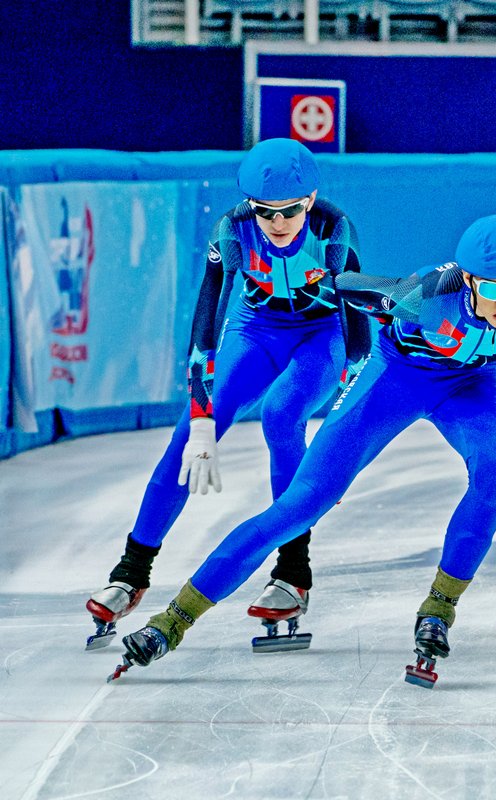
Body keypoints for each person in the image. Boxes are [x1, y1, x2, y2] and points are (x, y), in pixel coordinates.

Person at [106, 215, 496, 689]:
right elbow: (346, 286)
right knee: (303, 502)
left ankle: (439, 609)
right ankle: (173, 620)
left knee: (495, 468)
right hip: (396, 378)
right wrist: (343, 348)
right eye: (493, 289)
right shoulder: (423, 298)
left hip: (473, 387)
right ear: (469, 279)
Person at [85, 139, 370, 651]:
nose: (277, 222)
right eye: (265, 211)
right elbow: (206, 326)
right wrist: (201, 416)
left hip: (320, 335)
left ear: (310, 201)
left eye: (289, 211)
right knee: (188, 439)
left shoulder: (333, 230)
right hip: (255, 328)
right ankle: (131, 571)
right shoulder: (233, 229)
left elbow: (358, 338)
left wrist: (340, 428)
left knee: (282, 415)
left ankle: (293, 572)